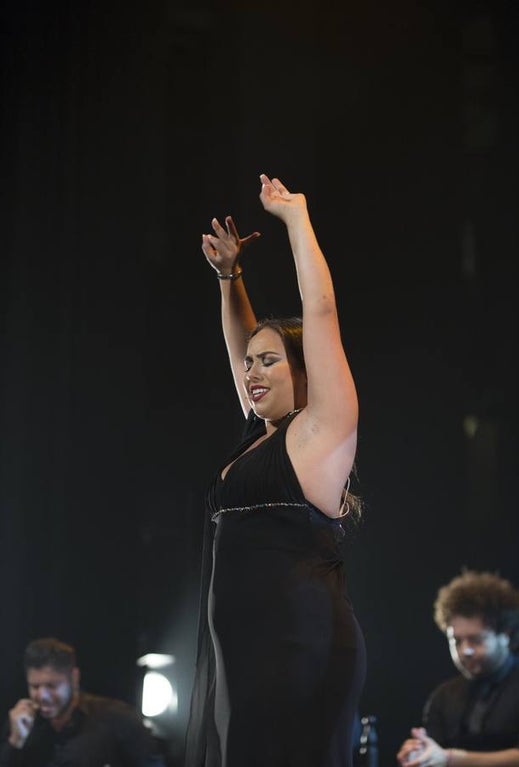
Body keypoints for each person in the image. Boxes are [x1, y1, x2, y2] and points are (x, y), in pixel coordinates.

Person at [184, 174, 366, 767]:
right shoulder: (256, 438)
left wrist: (296, 219)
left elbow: (321, 308)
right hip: (241, 652)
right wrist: (228, 278)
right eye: (250, 365)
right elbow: (238, 340)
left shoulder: (319, 431)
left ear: (304, 371)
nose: (252, 372)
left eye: (269, 361)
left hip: (298, 648)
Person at [397, 570, 519, 767]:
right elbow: (434, 752)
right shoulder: (443, 695)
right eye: (456, 641)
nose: (465, 650)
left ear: (506, 635)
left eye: (476, 640)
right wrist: (419, 754)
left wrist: (448, 758)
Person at [0, 637, 164, 767]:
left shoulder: (118, 717)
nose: (42, 695)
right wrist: (15, 741)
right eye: (35, 686)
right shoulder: (20, 721)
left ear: (74, 678)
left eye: (51, 686)